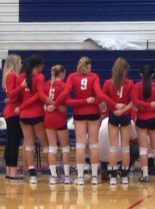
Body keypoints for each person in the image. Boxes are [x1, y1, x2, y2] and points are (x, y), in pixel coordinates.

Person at [47, 56, 122, 185]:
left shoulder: (72, 77)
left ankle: (80, 177)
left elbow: (65, 95)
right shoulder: (94, 77)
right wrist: (114, 104)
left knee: (80, 145)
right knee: (94, 145)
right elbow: (100, 95)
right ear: (88, 66)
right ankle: (94, 177)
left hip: (79, 113)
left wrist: (54, 104)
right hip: (93, 113)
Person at [44, 65, 95, 184]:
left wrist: (48, 106)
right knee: (65, 148)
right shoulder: (63, 85)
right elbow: (66, 105)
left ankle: (53, 177)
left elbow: (43, 100)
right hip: (59, 119)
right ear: (62, 73)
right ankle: (66, 176)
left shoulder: (46, 85)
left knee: (52, 148)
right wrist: (59, 107)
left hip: (48, 118)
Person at [15, 55, 51, 184]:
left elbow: (16, 96)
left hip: (23, 116)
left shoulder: (20, 78)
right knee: (45, 144)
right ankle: (53, 173)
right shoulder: (39, 77)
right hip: (37, 114)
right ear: (39, 65)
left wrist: (21, 107)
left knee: (28, 145)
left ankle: (32, 174)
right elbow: (39, 96)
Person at [103, 57, 134, 185]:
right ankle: (125, 176)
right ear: (125, 70)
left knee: (113, 147)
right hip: (125, 115)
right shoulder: (130, 83)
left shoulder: (108, 83)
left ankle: (113, 176)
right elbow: (133, 102)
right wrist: (123, 109)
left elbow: (104, 101)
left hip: (113, 115)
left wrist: (115, 106)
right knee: (125, 148)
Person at [131, 65, 155, 182]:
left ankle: (145, 175)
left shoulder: (136, 86)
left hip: (141, 119)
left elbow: (135, 101)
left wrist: (145, 106)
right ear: (153, 75)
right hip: (153, 119)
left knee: (143, 149)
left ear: (140, 74)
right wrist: (151, 105)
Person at [2, 54, 25, 180]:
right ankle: (12, 172)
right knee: (13, 143)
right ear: (16, 62)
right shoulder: (12, 75)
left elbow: (9, 96)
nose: (21, 64)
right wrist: (22, 86)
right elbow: (11, 94)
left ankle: (9, 171)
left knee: (11, 142)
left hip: (11, 110)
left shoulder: (9, 75)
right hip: (13, 112)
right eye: (20, 61)